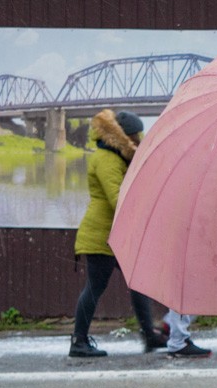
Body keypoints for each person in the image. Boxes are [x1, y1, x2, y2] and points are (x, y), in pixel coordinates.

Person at [68, 109, 167, 358]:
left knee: (138, 283)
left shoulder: (119, 157)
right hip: (101, 235)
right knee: (94, 288)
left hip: (117, 235)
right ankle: (78, 342)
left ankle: (149, 335)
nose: (138, 140)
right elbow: (117, 198)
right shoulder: (106, 159)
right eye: (134, 136)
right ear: (122, 137)